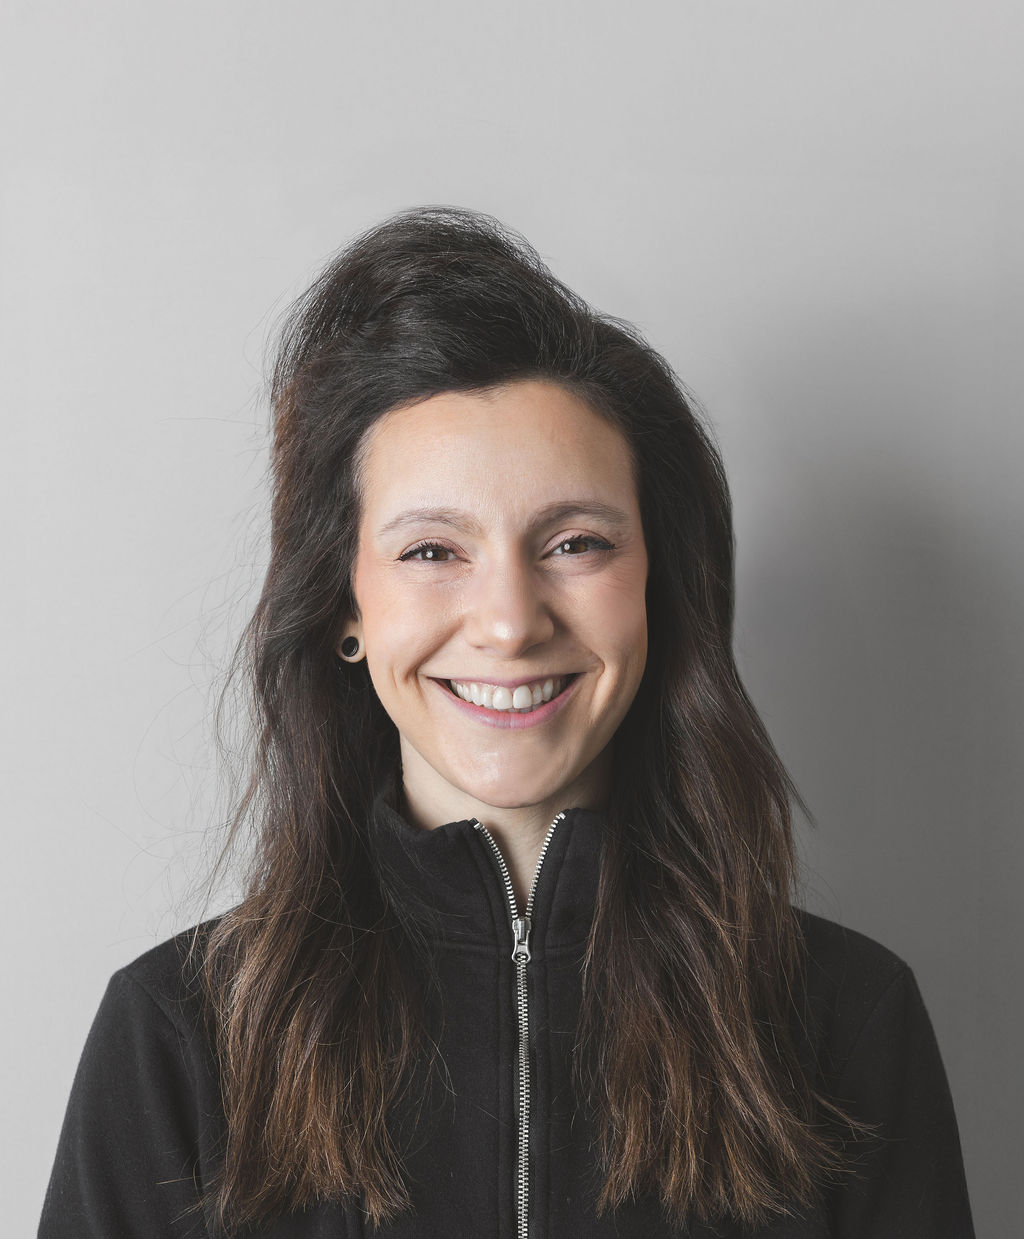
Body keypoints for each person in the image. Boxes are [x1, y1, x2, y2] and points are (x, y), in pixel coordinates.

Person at [39, 208, 975, 1238]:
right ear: (346, 607)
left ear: (657, 587)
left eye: (574, 543)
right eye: (431, 551)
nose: (510, 622)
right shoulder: (177, 1041)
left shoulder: (847, 1021)